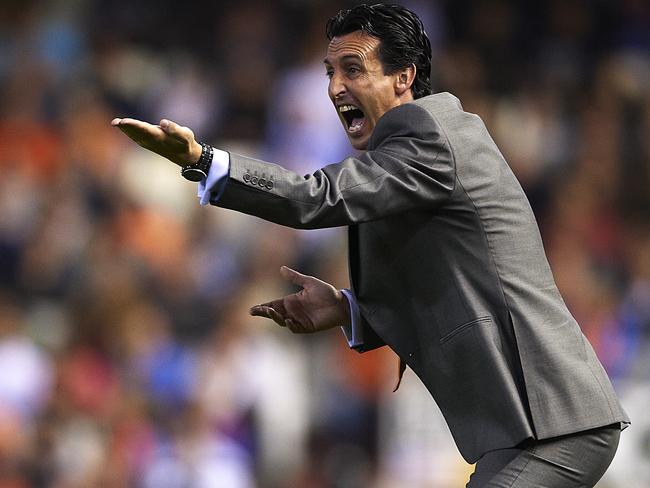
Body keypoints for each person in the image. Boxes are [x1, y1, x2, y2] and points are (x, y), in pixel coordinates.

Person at [112, 4, 629, 486]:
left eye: (353, 69)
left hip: (555, 421)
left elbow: (314, 198)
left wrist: (206, 161)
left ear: (404, 77)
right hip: (523, 429)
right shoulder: (411, 154)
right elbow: (456, 287)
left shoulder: (428, 135)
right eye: (329, 72)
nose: (336, 87)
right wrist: (347, 309)